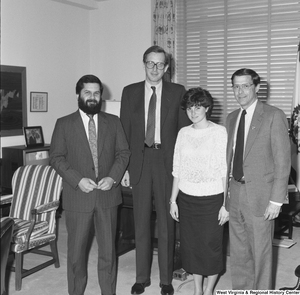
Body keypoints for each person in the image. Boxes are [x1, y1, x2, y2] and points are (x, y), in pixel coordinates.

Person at [49, 75, 130, 295]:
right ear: (78, 95)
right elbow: (56, 157)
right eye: (87, 92)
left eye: (96, 93)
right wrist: (77, 180)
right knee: (76, 254)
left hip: (107, 196)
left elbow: (123, 153)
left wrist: (113, 177)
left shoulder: (113, 122)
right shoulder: (64, 124)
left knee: (108, 253)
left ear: (101, 96)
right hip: (78, 197)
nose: (92, 97)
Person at [120, 45, 191, 295]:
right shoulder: (129, 92)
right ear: (144, 64)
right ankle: (141, 278)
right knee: (140, 222)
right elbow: (124, 133)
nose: (155, 69)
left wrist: (181, 169)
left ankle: (166, 280)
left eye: (160, 64)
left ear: (167, 67)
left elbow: (184, 134)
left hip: (166, 162)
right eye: (151, 63)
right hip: (139, 161)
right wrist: (125, 167)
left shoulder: (178, 91)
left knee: (166, 223)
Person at [225, 68, 291, 289]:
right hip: (235, 193)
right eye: (236, 86)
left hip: (261, 197)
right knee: (239, 253)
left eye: (245, 85)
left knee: (261, 256)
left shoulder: (273, 115)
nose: (240, 91)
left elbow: (283, 162)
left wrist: (276, 200)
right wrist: (226, 198)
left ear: (257, 87)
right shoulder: (232, 117)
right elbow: (230, 158)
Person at [169, 87, 229, 295]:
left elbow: (224, 170)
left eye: (197, 107)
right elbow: (178, 168)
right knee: (191, 247)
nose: (193, 112)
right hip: (187, 199)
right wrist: (173, 201)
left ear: (207, 108)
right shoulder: (183, 133)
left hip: (212, 199)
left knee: (211, 248)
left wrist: (225, 204)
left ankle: (209, 289)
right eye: (189, 108)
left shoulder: (219, 132)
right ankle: (197, 290)